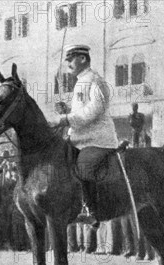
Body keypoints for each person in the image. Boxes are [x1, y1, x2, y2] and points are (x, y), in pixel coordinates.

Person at [52, 44, 119, 227]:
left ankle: (90, 210)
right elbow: (80, 111)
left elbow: (94, 111)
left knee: (83, 166)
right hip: (79, 139)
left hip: (98, 140)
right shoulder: (80, 82)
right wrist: (67, 111)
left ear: (82, 58)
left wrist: (65, 119)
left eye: (71, 58)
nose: (68, 63)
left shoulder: (96, 80)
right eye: (66, 59)